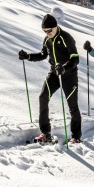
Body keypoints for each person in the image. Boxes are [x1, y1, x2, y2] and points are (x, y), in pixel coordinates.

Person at [18, 13, 82, 144]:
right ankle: (45, 133)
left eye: (49, 30)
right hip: (54, 73)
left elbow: (75, 58)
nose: (47, 33)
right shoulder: (47, 39)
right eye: (44, 31)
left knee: (72, 106)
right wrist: (28, 57)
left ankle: (76, 137)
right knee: (43, 97)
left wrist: (64, 68)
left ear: (56, 27)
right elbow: (43, 54)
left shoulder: (66, 37)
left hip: (69, 75)